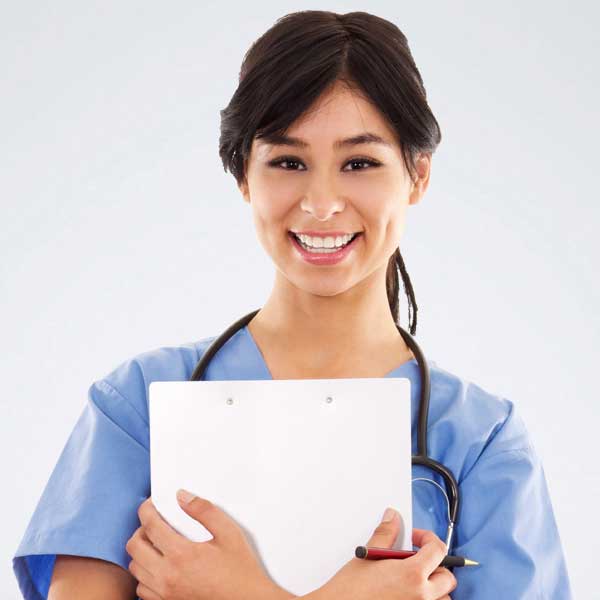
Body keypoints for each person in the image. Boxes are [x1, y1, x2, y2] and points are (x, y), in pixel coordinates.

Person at [13, 9, 572, 600]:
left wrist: (238, 593)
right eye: (288, 162)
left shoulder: (481, 441)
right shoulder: (136, 406)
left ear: (418, 176)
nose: (321, 203)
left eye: (359, 163)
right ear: (243, 177)